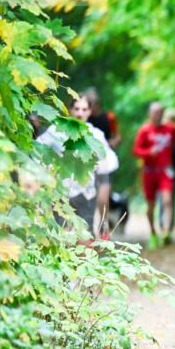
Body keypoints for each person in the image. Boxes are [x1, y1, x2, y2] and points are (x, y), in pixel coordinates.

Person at [36, 96, 119, 235]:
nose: (80, 113)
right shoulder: (56, 130)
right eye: (76, 109)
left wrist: (104, 218)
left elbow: (108, 164)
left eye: (84, 109)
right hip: (60, 196)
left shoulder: (96, 136)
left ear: (89, 112)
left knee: (85, 238)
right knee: (62, 238)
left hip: (86, 195)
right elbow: (36, 151)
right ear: (69, 110)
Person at [133, 101, 175, 248]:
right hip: (149, 173)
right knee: (151, 207)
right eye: (155, 113)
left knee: (167, 201)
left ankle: (166, 232)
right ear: (149, 114)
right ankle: (152, 233)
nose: (157, 116)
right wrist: (148, 153)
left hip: (165, 171)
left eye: (160, 113)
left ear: (163, 114)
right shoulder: (144, 131)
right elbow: (136, 150)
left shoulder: (170, 129)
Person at [82, 88, 120, 238]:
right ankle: (88, 231)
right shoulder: (82, 117)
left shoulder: (109, 117)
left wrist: (109, 143)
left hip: (104, 159)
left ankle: (104, 228)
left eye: (94, 104)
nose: (92, 108)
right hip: (86, 161)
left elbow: (118, 137)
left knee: (104, 196)